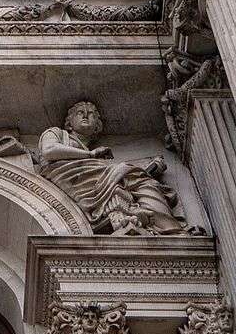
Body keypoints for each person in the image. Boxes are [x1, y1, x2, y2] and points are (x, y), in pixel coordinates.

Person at [37, 100, 196, 236]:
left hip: (98, 179)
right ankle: (167, 227)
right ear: (69, 122)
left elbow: (108, 168)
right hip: (67, 177)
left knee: (144, 182)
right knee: (131, 174)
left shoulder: (96, 160)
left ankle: (166, 228)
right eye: (79, 112)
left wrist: (145, 166)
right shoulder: (56, 133)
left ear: (97, 127)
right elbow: (49, 151)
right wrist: (91, 155)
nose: (85, 115)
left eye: (91, 114)